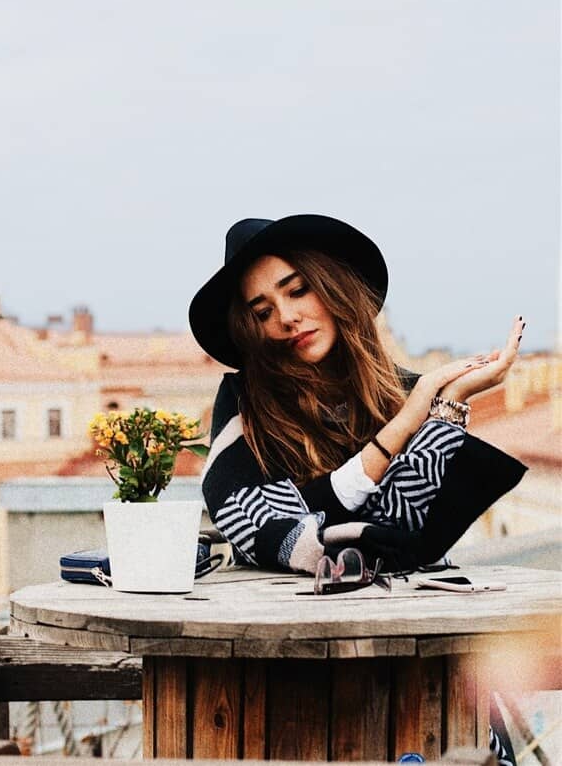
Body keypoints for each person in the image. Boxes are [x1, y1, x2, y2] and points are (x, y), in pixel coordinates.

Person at [189, 215, 525, 766]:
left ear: (332, 287)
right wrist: (402, 430)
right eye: (262, 311)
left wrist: (448, 404)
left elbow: (405, 532)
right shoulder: (245, 409)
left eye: (298, 289)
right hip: (297, 698)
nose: (287, 317)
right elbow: (272, 530)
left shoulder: (400, 391)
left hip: (425, 683)